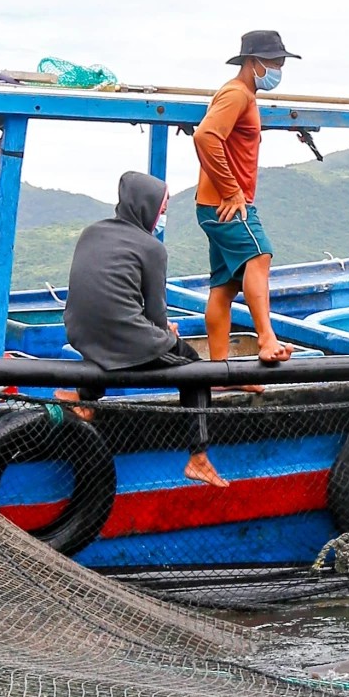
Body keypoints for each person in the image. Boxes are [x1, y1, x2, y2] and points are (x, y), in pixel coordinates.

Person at [63, 172, 226, 488]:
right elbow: (155, 311)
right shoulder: (152, 248)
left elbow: (103, 296)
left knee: (124, 338)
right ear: (145, 208)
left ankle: (84, 399)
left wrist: (159, 330)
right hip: (125, 339)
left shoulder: (90, 233)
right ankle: (199, 456)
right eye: (161, 210)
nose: (161, 217)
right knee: (195, 369)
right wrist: (166, 333)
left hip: (80, 334)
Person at [196, 30, 296, 369]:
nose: (278, 68)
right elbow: (206, 135)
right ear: (252, 62)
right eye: (272, 62)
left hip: (212, 204)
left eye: (281, 62)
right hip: (226, 203)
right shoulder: (237, 94)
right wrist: (231, 190)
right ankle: (266, 338)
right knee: (260, 254)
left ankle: (220, 371)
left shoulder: (242, 97)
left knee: (224, 287)